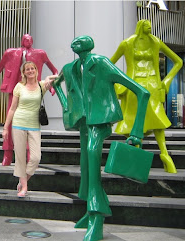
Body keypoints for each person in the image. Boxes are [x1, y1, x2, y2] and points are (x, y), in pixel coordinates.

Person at [53, 35, 149, 241]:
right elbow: (56, 84)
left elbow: (142, 92)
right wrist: (67, 106)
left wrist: (136, 132)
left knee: (91, 156)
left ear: (88, 46)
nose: (75, 43)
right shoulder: (71, 67)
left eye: (80, 41)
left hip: (100, 121)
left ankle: (97, 215)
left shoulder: (102, 63)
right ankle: (90, 212)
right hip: (84, 123)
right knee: (86, 165)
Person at [111, 19, 183, 174]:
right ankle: (163, 153)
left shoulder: (144, 42)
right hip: (140, 87)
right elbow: (178, 62)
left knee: (138, 122)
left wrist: (167, 82)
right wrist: (119, 85)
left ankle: (138, 160)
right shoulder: (132, 43)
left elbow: (110, 66)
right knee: (152, 121)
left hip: (142, 87)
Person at [0, 34, 58, 166]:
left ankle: (29, 154)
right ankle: (8, 154)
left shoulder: (40, 54)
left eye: (30, 38)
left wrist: (51, 86)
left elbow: (55, 71)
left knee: (31, 121)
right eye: (25, 38)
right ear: (21, 40)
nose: (28, 40)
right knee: (10, 122)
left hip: (32, 90)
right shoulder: (10, 53)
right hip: (15, 90)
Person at [2, 61, 56, 197]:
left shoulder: (41, 85)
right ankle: (24, 187)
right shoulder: (19, 87)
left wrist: (52, 77)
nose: (30, 71)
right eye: (27, 69)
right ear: (24, 72)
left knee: (36, 157)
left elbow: (58, 77)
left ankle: (23, 179)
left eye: (32, 68)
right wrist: (5, 128)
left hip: (34, 126)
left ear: (36, 70)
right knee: (20, 157)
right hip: (18, 123)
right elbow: (12, 108)